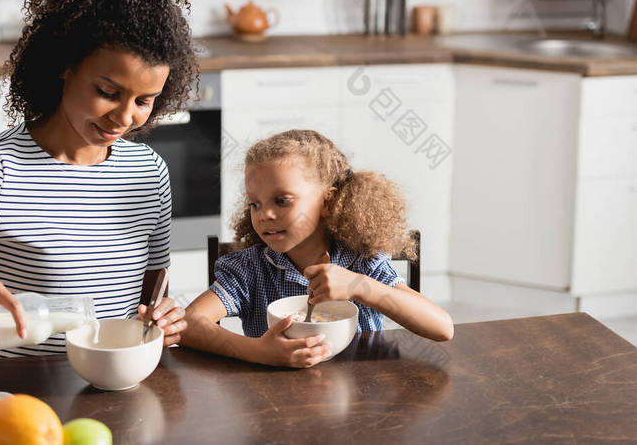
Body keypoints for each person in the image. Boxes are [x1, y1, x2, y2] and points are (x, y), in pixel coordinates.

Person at [0, 0, 196, 359]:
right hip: (15, 396)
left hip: (116, 388)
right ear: (65, 66)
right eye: (108, 92)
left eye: (143, 100)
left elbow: (153, 287)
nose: (124, 117)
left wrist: (165, 317)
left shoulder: (149, 172)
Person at [180, 129, 454, 368]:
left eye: (282, 200)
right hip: (273, 405)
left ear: (327, 202)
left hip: (362, 404)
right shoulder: (249, 270)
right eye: (255, 204)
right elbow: (189, 324)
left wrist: (360, 286)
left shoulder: (362, 264)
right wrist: (259, 352)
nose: (264, 215)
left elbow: (442, 328)